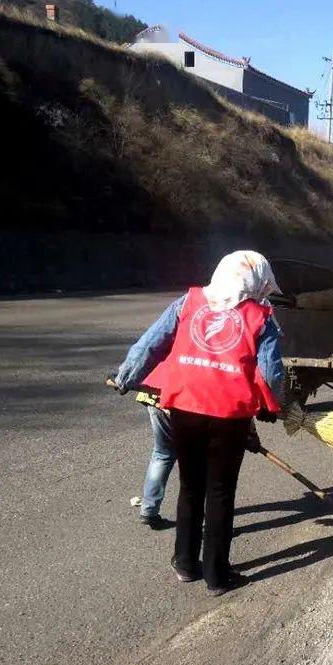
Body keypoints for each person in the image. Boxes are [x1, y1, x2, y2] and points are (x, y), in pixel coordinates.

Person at [116, 251, 284, 594]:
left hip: (184, 408)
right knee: (220, 493)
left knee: (190, 487)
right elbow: (271, 372)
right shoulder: (261, 316)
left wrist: (126, 377)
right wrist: (271, 406)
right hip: (229, 416)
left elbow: (151, 343)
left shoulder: (187, 301)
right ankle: (216, 576)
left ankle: (185, 563)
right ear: (259, 281)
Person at [113, 295, 185, 528]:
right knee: (197, 461)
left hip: (156, 392)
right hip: (184, 398)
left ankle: (149, 509)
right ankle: (203, 518)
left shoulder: (186, 306)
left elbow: (148, 344)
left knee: (162, 453)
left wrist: (124, 377)